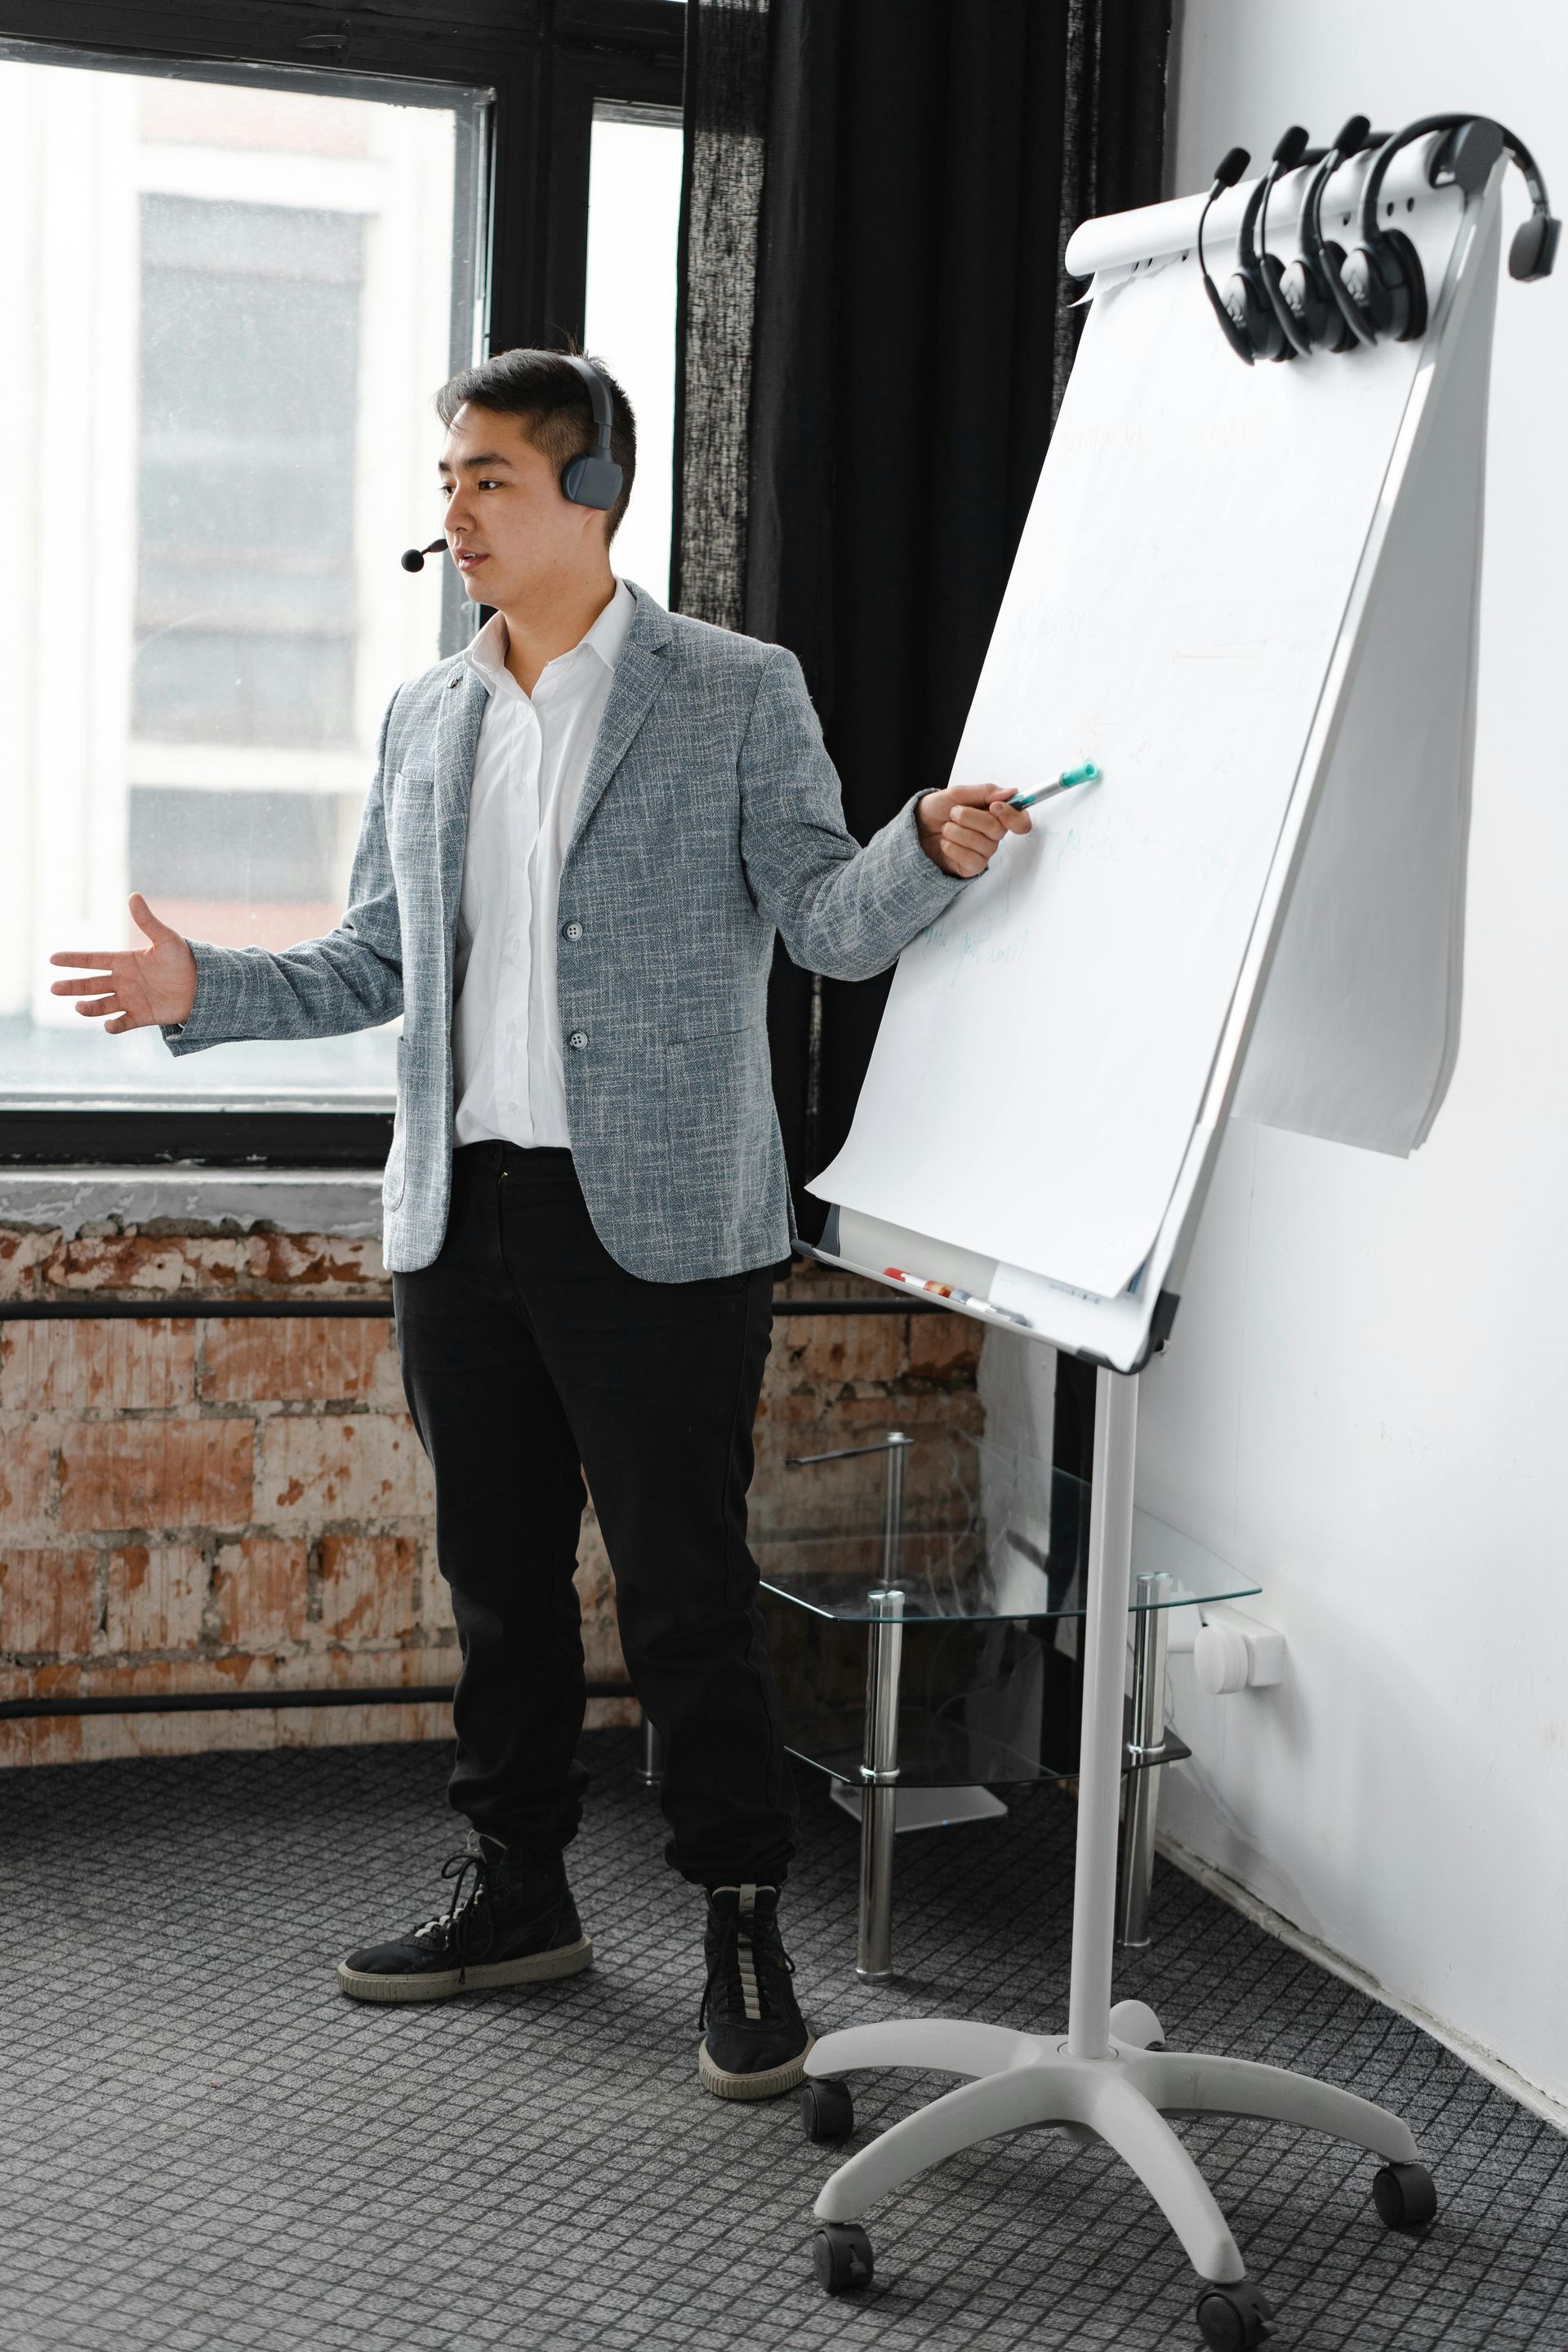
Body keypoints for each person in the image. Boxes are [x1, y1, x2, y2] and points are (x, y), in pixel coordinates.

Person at [50, 347, 1031, 2102]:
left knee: (684, 1597)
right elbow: (374, 958)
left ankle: (740, 1913)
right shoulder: (432, 714)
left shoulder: (734, 691)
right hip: (460, 1220)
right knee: (497, 1588)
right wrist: (208, 985)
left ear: (596, 496)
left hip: (658, 1228)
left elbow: (822, 920)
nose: (455, 513)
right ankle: (516, 1892)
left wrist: (929, 854)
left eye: (490, 478)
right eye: (449, 479)